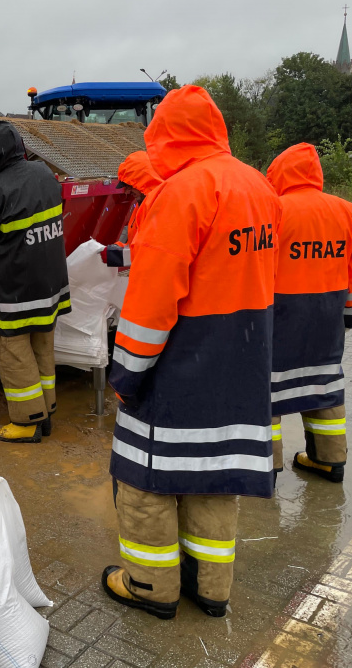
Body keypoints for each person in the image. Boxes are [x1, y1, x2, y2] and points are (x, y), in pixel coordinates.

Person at [102, 85, 281, 620]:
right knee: (215, 476)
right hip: (242, 360)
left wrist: (127, 374)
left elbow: (152, 303)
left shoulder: (179, 193)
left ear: (164, 136)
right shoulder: (260, 187)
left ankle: (150, 586)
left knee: (144, 479)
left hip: (181, 364)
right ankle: (211, 587)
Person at [266, 143, 352, 483]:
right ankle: (329, 460)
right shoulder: (348, 211)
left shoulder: (273, 209)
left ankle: (269, 467)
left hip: (279, 312)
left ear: (278, 173)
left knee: (269, 387)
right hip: (328, 313)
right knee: (324, 381)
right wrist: (349, 314)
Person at [0, 121, 70, 443]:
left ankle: (27, 422)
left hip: (18, 288)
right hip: (52, 284)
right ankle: (46, 411)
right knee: (42, 344)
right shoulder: (45, 175)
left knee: (12, 350)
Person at [101, 151, 164, 268]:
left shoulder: (160, 206)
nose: (126, 191)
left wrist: (113, 255)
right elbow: (136, 245)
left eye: (129, 185)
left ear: (143, 181)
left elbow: (152, 253)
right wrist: (118, 248)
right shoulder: (145, 204)